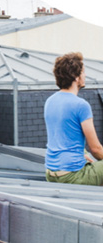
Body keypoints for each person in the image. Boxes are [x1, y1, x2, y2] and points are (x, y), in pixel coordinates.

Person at [45, 52, 103, 185]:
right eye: (83, 72)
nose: (85, 75)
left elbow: (62, 140)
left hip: (51, 173)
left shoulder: (50, 101)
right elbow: (96, 149)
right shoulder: (81, 105)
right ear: (76, 77)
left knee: (83, 151)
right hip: (72, 175)